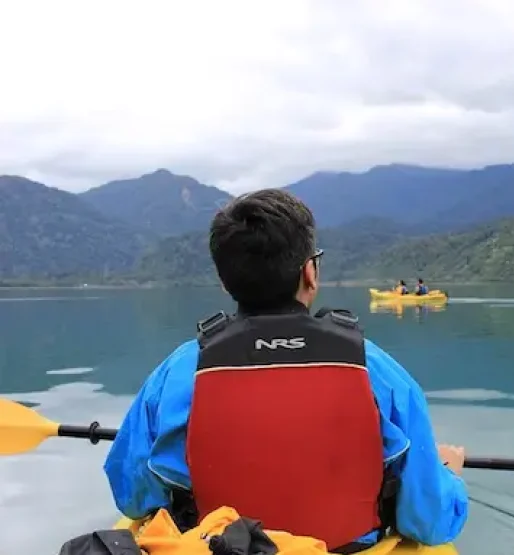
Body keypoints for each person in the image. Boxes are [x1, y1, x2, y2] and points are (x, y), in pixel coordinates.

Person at [103, 189, 468, 552]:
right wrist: (447, 474)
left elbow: (132, 497)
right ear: (310, 271)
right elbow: (430, 522)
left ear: (224, 280)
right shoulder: (378, 372)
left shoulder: (178, 371)